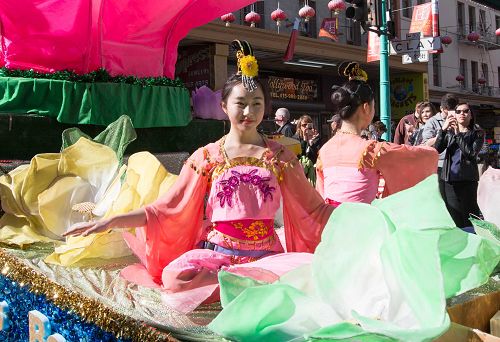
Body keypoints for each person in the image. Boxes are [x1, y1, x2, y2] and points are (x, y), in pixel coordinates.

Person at [64, 40, 333, 312]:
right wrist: (109, 221)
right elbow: (165, 210)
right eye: (241, 103)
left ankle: (249, 286)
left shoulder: (281, 157)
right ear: (224, 105)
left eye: (256, 103)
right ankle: (239, 287)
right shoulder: (207, 157)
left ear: (266, 107)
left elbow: (315, 210)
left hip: (267, 259)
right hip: (219, 261)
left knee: (308, 276)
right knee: (176, 280)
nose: (248, 112)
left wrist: (361, 215)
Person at [316, 62, 439, 206]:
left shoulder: (325, 150)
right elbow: (414, 156)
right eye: (374, 106)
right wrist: (428, 147)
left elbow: (320, 191)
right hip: (363, 222)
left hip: (331, 222)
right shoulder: (371, 150)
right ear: (366, 107)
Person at [434, 102, 484, 228]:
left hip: (468, 181)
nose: (462, 114)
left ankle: (474, 242)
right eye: (458, 111)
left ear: (471, 115)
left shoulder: (477, 133)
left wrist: (458, 135)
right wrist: (443, 130)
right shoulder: (449, 133)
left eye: (466, 111)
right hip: (449, 180)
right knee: (454, 216)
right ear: (454, 115)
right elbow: (437, 150)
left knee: (470, 217)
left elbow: (471, 154)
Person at [422, 93, 459, 198]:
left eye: (453, 109)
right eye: (448, 109)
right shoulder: (432, 121)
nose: (451, 112)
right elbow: (426, 143)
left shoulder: (459, 118)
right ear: (441, 108)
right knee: (442, 197)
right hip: (439, 165)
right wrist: (443, 130)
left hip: (456, 164)